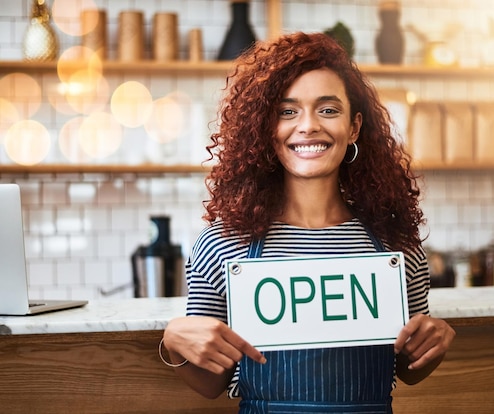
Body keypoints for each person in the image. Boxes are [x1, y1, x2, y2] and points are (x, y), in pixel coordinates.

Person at [162, 31, 455, 413]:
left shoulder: (396, 243)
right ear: (266, 129)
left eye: (328, 110)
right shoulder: (222, 244)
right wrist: (173, 341)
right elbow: (211, 383)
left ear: (354, 127)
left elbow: (408, 369)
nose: (308, 126)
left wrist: (433, 343)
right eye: (287, 111)